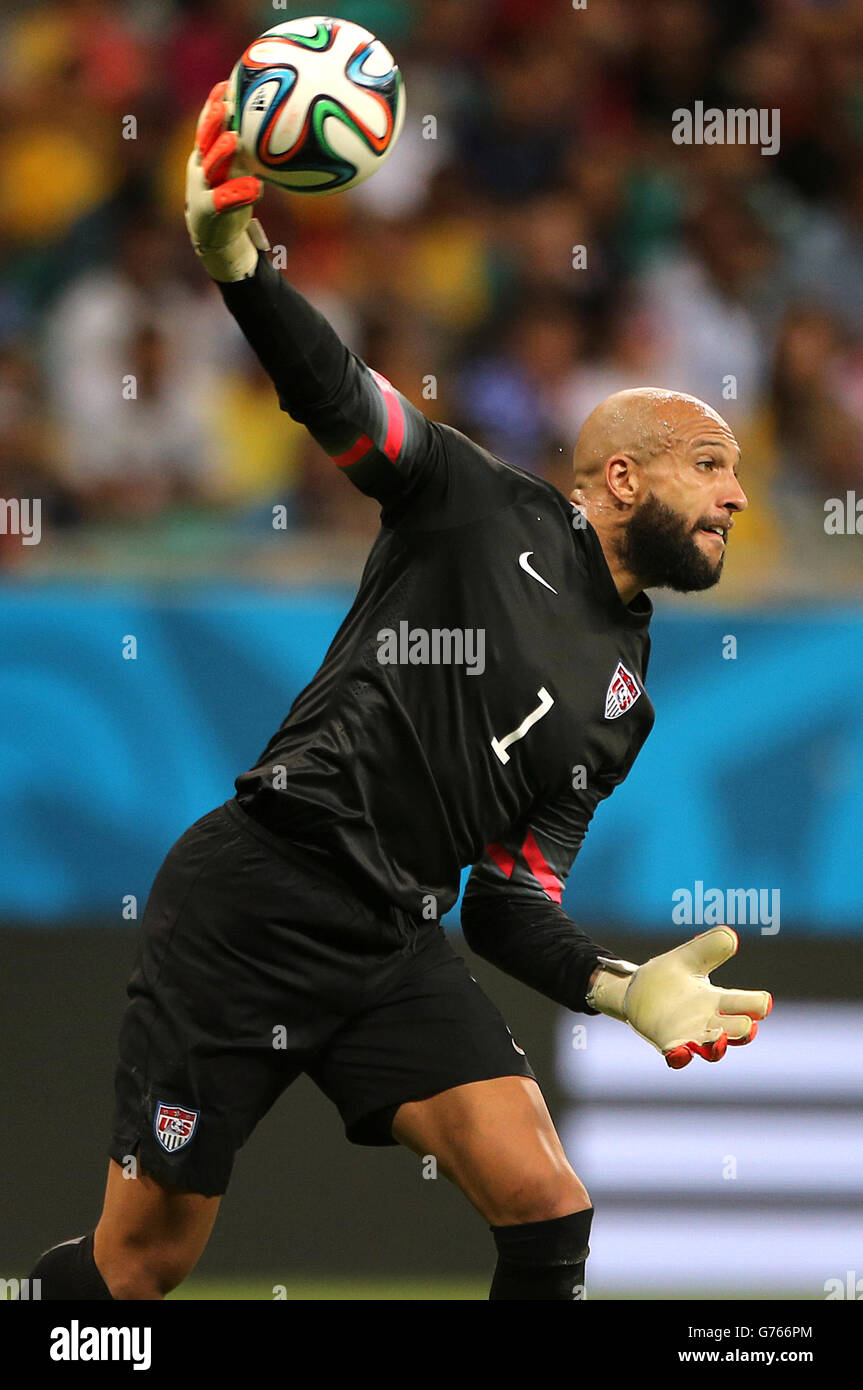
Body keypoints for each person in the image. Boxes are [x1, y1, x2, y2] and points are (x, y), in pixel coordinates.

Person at [28, 83, 772, 1303]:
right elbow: (338, 395)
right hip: (259, 893)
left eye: (738, 470)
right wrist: (243, 268)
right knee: (141, 1262)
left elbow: (506, 905)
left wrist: (620, 988)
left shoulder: (625, 704)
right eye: (708, 465)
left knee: (548, 1207)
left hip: (393, 937)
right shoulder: (479, 507)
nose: (736, 494)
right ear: (619, 476)